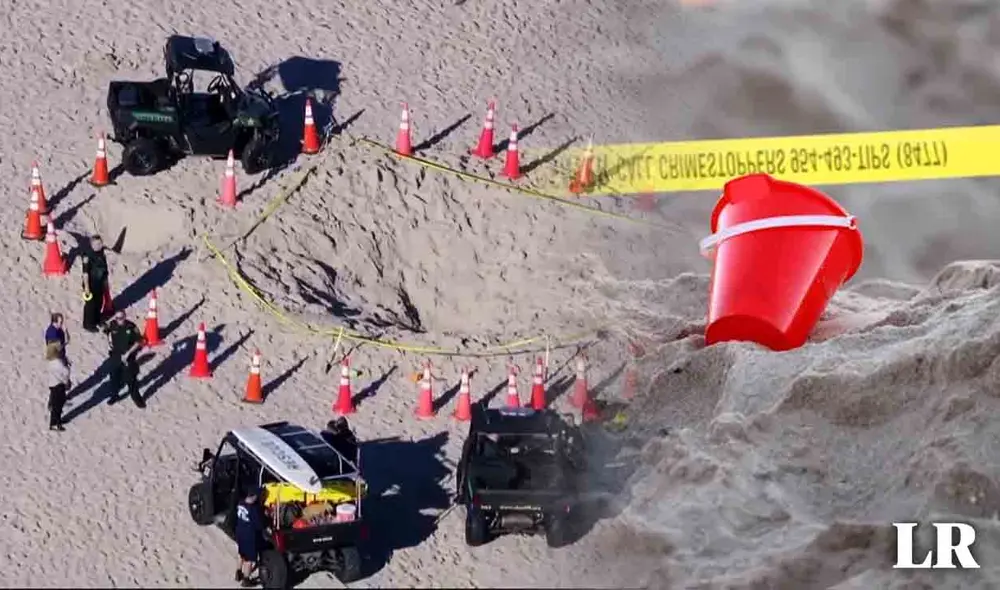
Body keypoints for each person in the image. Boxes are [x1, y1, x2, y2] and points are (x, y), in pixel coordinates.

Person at [103, 310, 146, 408]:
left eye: (121, 318)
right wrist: (109, 344)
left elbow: (139, 341)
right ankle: (114, 396)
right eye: (117, 318)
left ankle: (138, 400)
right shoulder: (113, 324)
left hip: (128, 358)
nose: (119, 320)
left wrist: (128, 353)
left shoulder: (131, 327)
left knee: (131, 381)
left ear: (125, 317)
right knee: (114, 378)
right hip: (116, 356)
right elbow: (107, 332)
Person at [235, 487, 266, 586]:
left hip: (240, 533)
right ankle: (246, 579)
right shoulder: (253, 509)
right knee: (249, 560)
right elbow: (259, 525)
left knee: (241, 554)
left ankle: (238, 572)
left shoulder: (241, 503)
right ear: (255, 497)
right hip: (249, 537)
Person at [80, 235, 110, 332]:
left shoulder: (101, 253)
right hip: (90, 284)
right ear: (92, 244)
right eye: (97, 244)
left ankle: (97, 319)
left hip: (99, 282)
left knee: (99, 302)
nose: (100, 245)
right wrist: (87, 287)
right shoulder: (87, 255)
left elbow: (104, 269)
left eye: (100, 243)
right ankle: (88, 324)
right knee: (90, 305)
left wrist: (105, 282)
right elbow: (85, 273)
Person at [45, 341, 71, 431]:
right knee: (58, 406)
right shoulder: (58, 362)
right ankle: (56, 424)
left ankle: (55, 421)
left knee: (55, 405)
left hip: (52, 384)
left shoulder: (50, 361)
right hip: (59, 385)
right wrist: (68, 366)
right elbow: (66, 372)